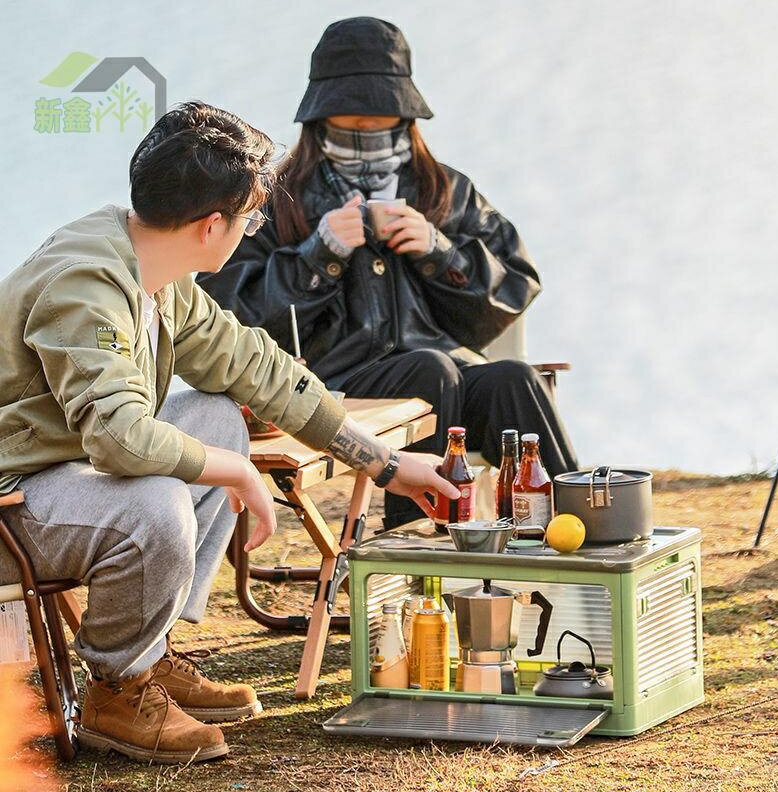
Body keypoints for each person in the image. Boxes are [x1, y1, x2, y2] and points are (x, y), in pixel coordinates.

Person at [0, 101, 458, 764]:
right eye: (250, 218)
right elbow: (119, 440)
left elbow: (255, 366)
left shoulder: (152, 266)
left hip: (61, 476)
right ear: (213, 225)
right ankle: (117, 686)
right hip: (13, 507)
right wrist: (237, 471)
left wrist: (384, 464)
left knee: (214, 413)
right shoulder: (87, 285)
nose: (252, 229)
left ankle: (150, 657)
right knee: (156, 501)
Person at [198, 17, 579, 529]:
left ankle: (585, 538)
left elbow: (515, 286)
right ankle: (412, 559)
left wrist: (441, 253)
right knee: (430, 371)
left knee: (514, 378)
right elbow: (227, 312)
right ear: (319, 120)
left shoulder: (444, 189)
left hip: (447, 372)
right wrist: (319, 255)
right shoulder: (275, 195)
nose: (368, 136)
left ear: (406, 117)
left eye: (382, 123)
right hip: (334, 385)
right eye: (351, 126)